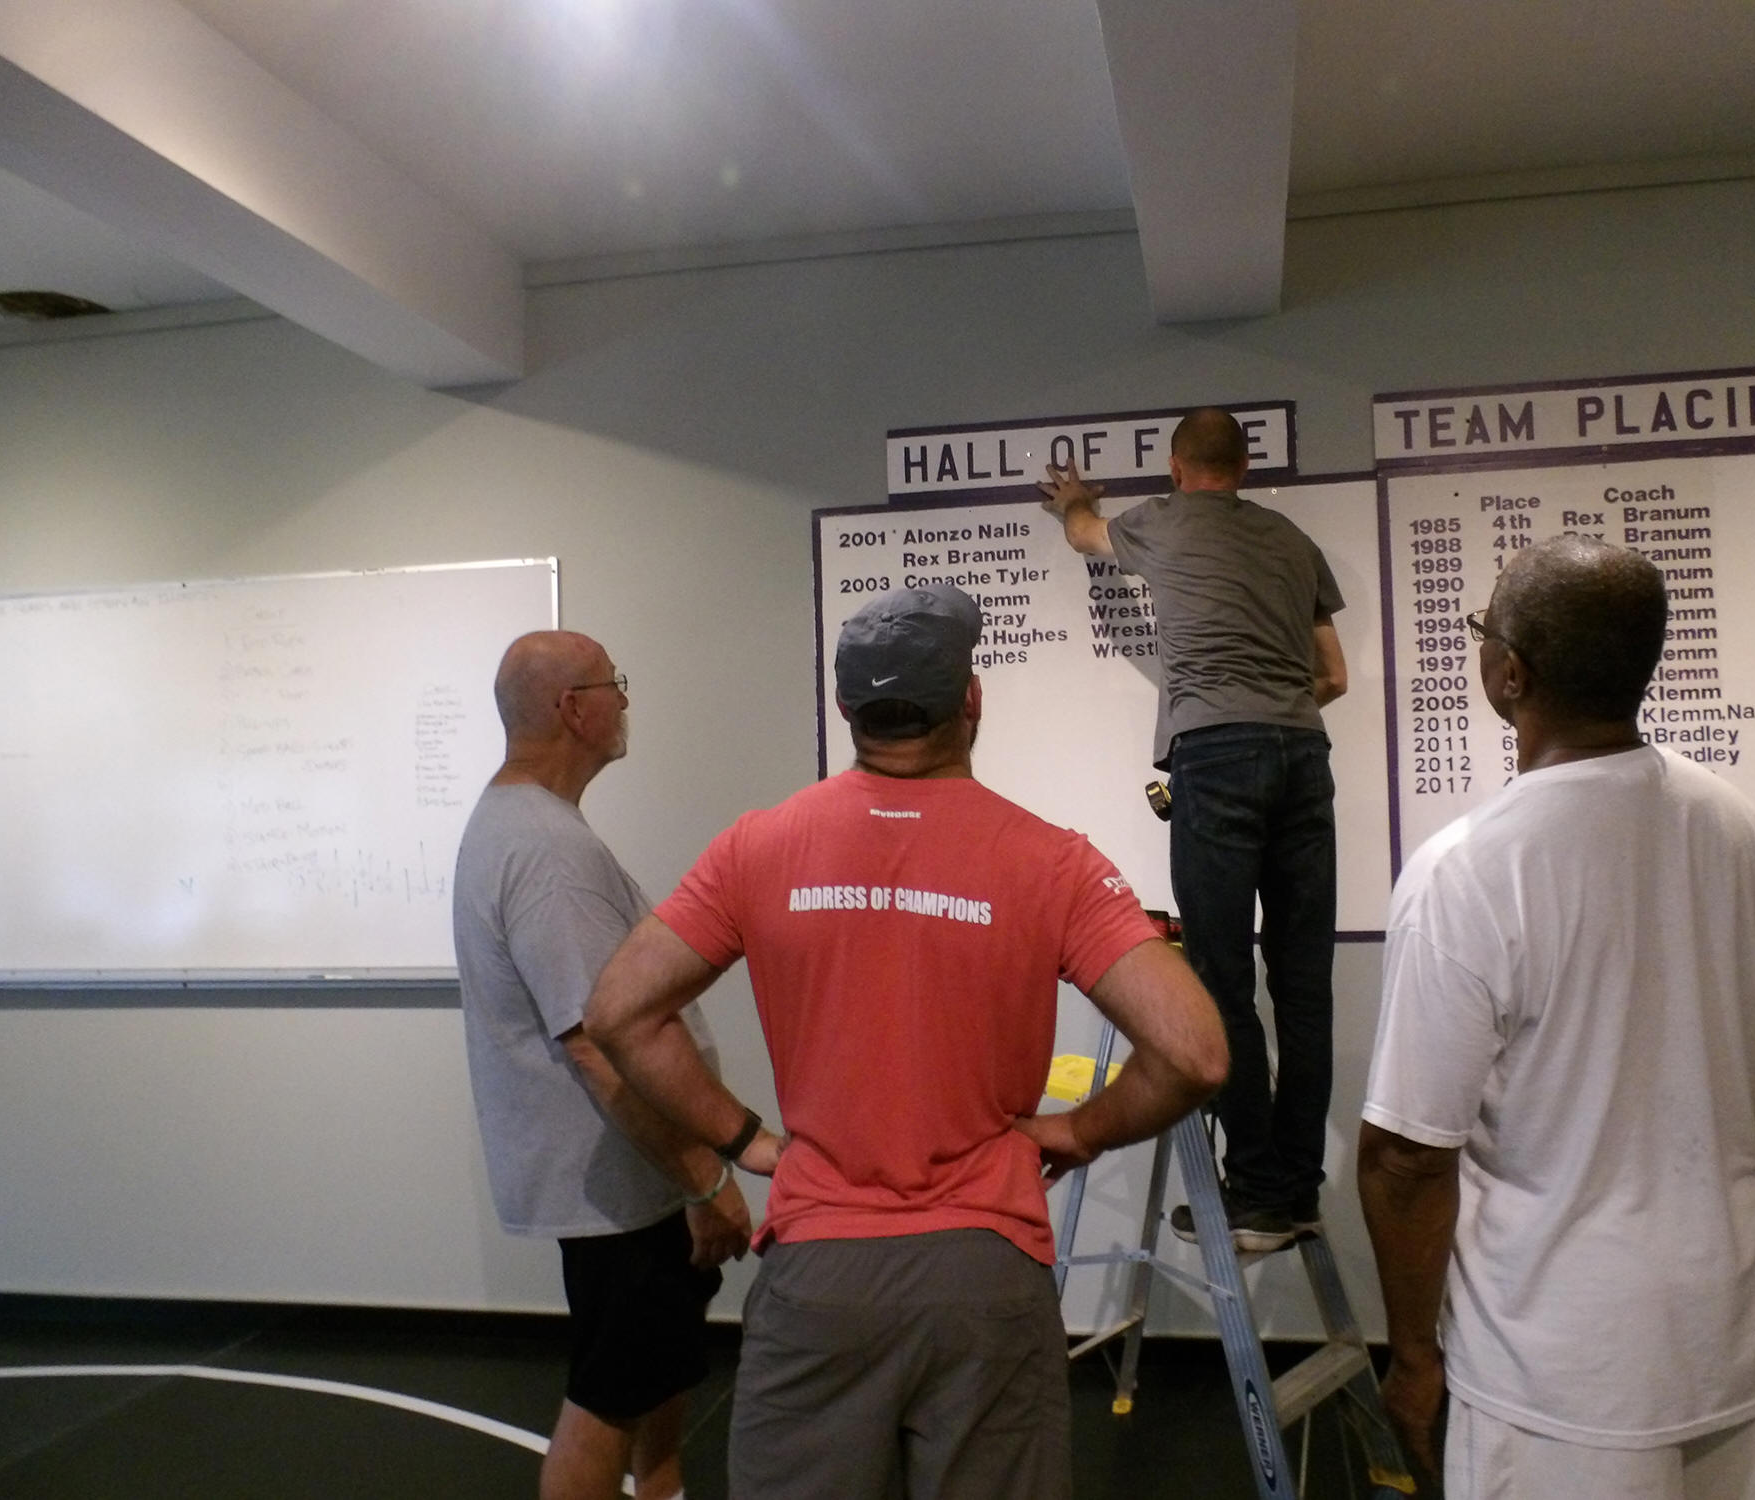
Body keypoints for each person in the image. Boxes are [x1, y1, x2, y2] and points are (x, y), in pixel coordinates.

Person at [583, 583, 1228, 1500]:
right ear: (971, 700)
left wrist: (744, 1140)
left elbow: (618, 1012)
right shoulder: (1052, 860)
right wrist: (1079, 1132)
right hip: (986, 1273)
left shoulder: (758, 847)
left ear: (847, 709)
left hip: (819, 1272)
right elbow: (1195, 1052)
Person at [1358, 535, 1755, 1499]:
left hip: (1550, 1374)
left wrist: (1413, 1358)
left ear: (1510, 674)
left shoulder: (1466, 874)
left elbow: (1406, 1159)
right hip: (1730, 1332)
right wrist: (1701, 1214)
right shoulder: (1751, 838)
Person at [1038, 406, 1349, 1252]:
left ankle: (1255, 1196)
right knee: (1304, 983)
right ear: (1243, 470)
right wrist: (1273, 708)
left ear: (1177, 470)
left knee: (1221, 978)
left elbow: (1084, 535)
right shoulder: (1292, 543)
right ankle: (1297, 1190)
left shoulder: (1161, 520)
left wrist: (1072, 499)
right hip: (1303, 756)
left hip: (1217, 756)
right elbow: (1333, 675)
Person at [453, 630, 752, 1500]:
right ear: (571, 709)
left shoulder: (524, 826)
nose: (624, 698)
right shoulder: (548, 851)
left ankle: (661, 1487)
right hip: (621, 1188)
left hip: (626, 1180)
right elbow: (596, 1042)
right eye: (612, 683)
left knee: (653, 1367)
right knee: (607, 1397)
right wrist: (704, 1177)